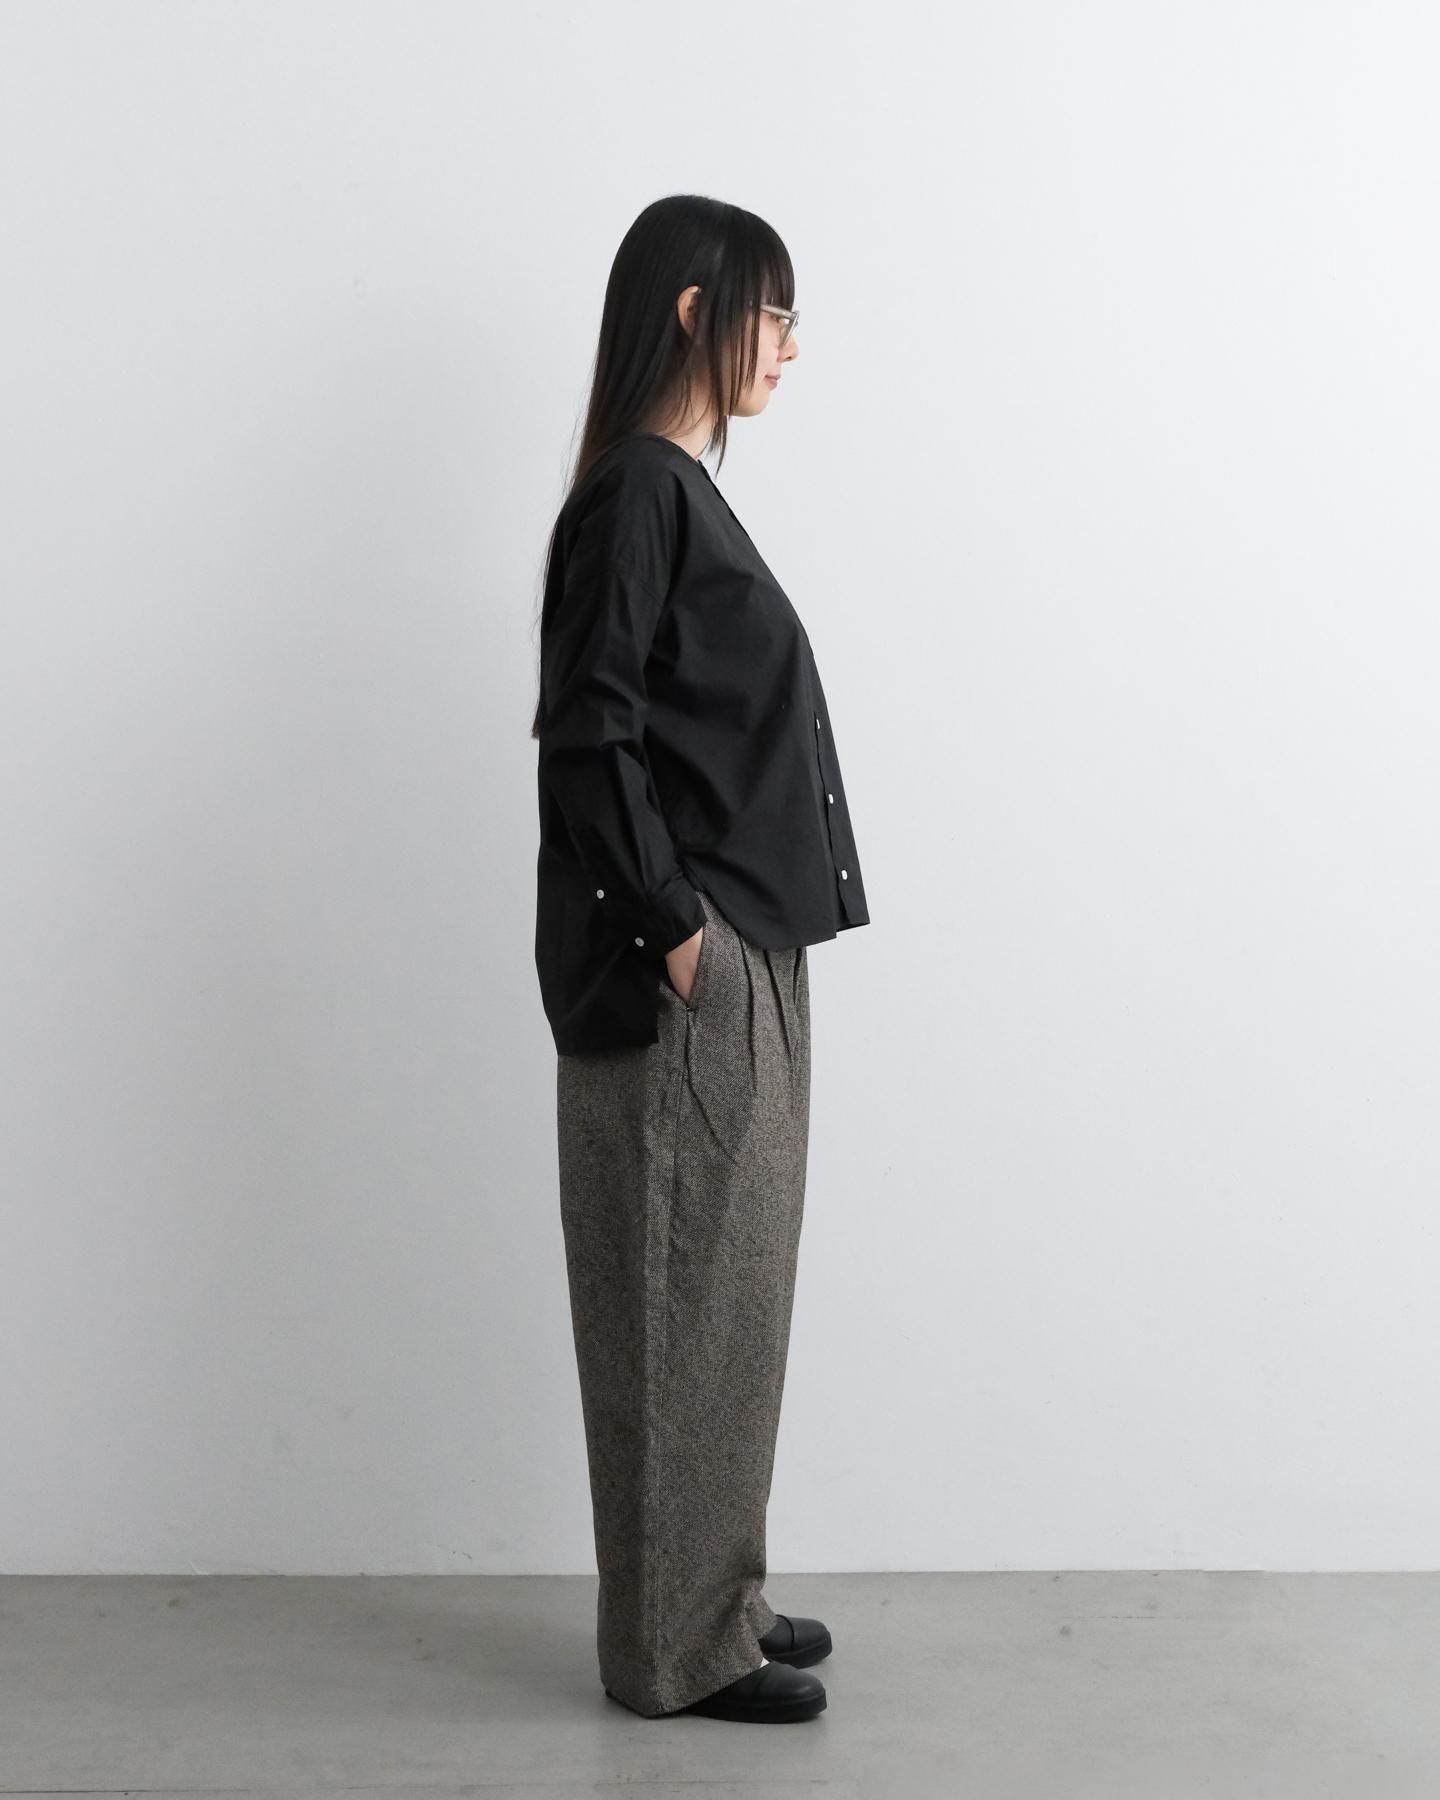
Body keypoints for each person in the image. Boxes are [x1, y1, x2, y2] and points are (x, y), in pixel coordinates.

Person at [530, 194, 870, 1723]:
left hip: (744, 959)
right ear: (693, 310)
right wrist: (680, 938)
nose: (788, 345)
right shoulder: (638, 498)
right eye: (771, 311)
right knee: (679, 1304)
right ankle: (670, 1649)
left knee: (729, 1308)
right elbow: (585, 735)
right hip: (683, 976)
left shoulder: (675, 497)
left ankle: (715, 1600)